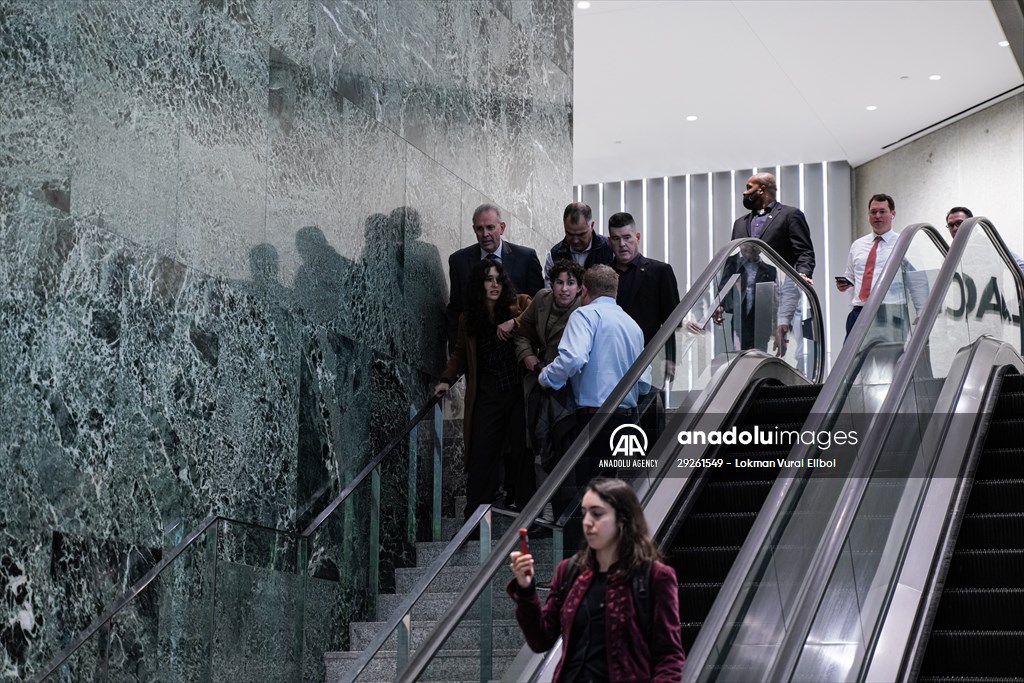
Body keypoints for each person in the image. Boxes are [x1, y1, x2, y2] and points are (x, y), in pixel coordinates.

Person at [508, 478, 685, 683]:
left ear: (623, 519)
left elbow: (669, 657)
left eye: (597, 513)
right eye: (584, 513)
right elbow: (541, 639)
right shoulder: (569, 572)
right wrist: (525, 589)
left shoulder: (654, 576)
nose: (587, 522)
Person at [435, 260, 533, 518]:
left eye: (498, 279)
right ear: (479, 284)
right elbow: (459, 353)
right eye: (488, 279)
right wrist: (446, 378)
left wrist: (515, 322)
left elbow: (535, 318)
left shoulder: (518, 305)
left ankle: (528, 511)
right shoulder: (468, 319)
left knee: (521, 450)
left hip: (516, 389)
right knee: (482, 450)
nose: (494, 284)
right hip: (486, 391)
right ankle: (476, 514)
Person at [608, 212, 680, 435]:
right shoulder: (602, 274)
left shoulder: (660, 271)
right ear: (609, 241)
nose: (622, 244)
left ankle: (652, 468)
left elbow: (672, 320)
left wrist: (670, 359)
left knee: (650, 426)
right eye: (616, 239)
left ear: (637, 236)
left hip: (649, 361)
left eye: (627, 237)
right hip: (611, 363)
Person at [732, 173, 816, 353]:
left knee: (770, 360)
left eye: (749, 187)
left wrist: (803, 274)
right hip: (742, 310)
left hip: (774, 301)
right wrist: (721, 302)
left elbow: (804, 251)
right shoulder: (740, 223)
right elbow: (731, 264)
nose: (744, 193)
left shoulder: (789, 215)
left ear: (762, 189)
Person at [514, 259, 585, 474]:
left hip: (571, 382)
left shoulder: (585, 307)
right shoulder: (542, 299)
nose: (564, 289)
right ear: (551, 284)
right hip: (540, 374)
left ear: (580, 287)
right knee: (536, 435)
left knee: (563, 439)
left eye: (571, 283)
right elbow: (521, 330)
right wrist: (526, 355)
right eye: (559, 282)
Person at [446, 203, 543, 352]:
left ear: (502, 228)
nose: (485, 234)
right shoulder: (459, 261)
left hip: (517, 351)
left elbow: (538, 306)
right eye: (480, 228)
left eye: (490, 227)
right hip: (478, 353)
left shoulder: (526, 258)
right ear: (474, 230)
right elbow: (455, 310)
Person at [837, 194, 928, 339]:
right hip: (859, 313)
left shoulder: (905, 243)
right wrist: (846, 283)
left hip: (891, 312)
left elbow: (917, 282)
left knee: (889, 360)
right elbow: (851, 276)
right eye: (873, 212)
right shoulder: (858, 245)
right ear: (868, 215)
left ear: (893, 214)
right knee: (854, 361)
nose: (877, 216)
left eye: (882, 211)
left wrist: (922, 315)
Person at [719, 242, 779, 351]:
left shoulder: (770, 270)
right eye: (746, 245)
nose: (750, 248)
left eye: (754, 246)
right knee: (739, 356)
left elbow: (774, 301)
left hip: (761, 324)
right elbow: (724, 285)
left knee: (759, 356)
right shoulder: (732, 263)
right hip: (739, 320)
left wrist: (776, 328)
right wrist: (719, 305)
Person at [544, 202, 614, 286]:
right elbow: (549, 291)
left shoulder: (609, 249)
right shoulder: (554, 255)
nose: (575, 240)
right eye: (569, 234)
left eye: (581, 234)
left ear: (592, 226)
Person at [946, 206, 1024, 272]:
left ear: (971, 224)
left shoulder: (991, 245)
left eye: (959, 223)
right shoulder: (950, 252)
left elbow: (1021, 266)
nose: (955, 228)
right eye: (951, 225)